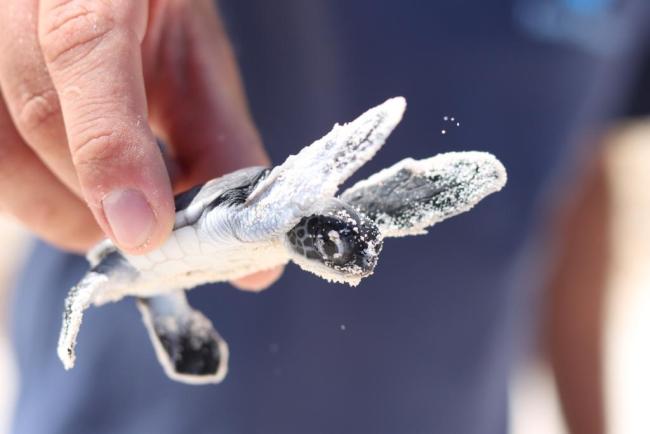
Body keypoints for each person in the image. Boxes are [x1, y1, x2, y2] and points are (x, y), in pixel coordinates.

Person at [1, 1, 649, 433]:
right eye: (339, 251)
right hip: (129, 411)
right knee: (128, 282)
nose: (349, 267)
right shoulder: (281, 206)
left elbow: (575, 174)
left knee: (162, 289)